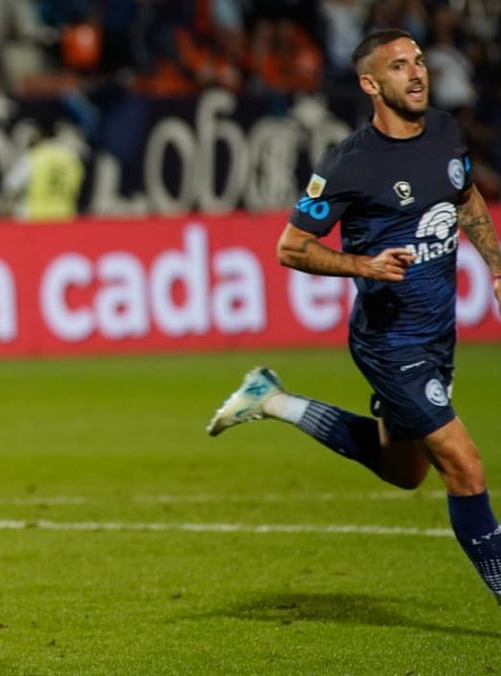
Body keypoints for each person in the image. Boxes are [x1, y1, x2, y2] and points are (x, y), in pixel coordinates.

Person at [206, 30, 501, 603]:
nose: (416, 73)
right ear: (371, 83)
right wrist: (363, 265)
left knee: (405, 472)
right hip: (390, 343)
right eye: (398, 66)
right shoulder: (349, 164)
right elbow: (289, 248)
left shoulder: (443, 130)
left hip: (438, 334)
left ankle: (272, 399)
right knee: (466, 468)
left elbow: (465, 200)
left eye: (418, 61)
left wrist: (496, 266)